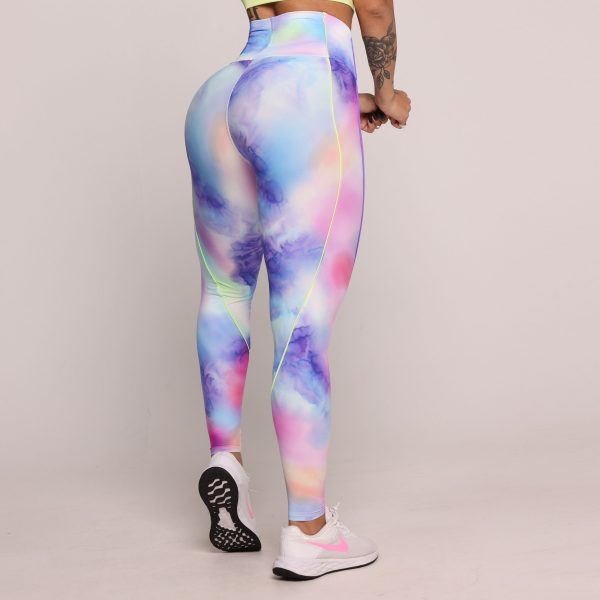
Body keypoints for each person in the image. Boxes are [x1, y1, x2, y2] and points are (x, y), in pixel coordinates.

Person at [184, 0, 410, 580]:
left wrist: (342, 98)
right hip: (302, 85)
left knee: (224, 290)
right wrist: (386, 94)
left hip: (225, 92)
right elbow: (374, 8)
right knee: (301, 317)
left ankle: (226, 459)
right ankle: (310, 531)